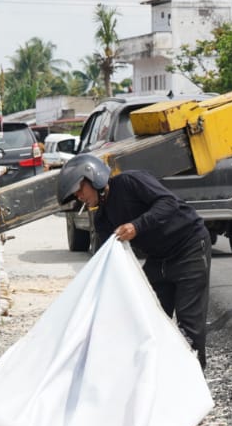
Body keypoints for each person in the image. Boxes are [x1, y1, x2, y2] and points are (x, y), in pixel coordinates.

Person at [57, 154, 212, 369]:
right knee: (149, 321)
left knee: (189, 328)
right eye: (75, 194)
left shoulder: (130, 182)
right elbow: (106, 258)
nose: (79, 196)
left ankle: (196, 386)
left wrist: (137, 226)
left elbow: (169, 203)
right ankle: (160, 383)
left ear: (94, 178)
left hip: (189, 249)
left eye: (80, 189)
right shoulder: (102, 218)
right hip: (158, 259)